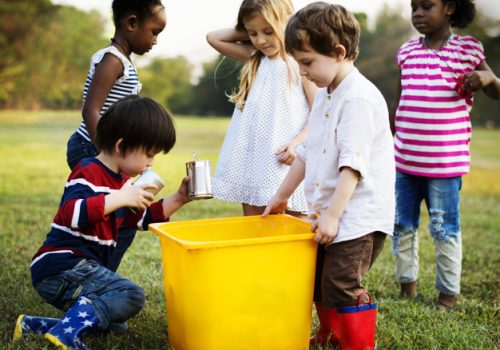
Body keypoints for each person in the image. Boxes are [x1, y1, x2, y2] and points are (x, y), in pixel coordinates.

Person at [263, 3, 395, 349]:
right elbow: (307, 153)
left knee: (341, 282)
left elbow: (352, 164)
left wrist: (334, 216)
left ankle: (358, 343)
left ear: (338, 52)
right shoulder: (324, 96)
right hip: (327, 214)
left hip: (357, 219)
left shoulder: (359, 100)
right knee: (318, 280)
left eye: (307, 62)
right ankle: (331, 334)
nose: (303, 72)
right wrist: (281, 194)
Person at [13, 95, 190, 349]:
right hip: (60, 267)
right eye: (149, 154)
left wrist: (180, 198)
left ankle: (35, 324)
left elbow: (142, 218)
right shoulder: (88, 171)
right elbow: (72, 213)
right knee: (131, 295)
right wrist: (118, 197)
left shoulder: (122, 184)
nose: (151, 163)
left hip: (80, 270)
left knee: (112, 322)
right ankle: (65, 335)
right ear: (121, 146)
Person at [390, 0, 500, 311]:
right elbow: (399, 104)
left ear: (450, 8)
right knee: (402, 226)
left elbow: (494, 89)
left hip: (444, 165)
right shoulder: (407, 51)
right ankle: (407, 288)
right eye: (414, 8)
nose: (418, 14)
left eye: (427, 6)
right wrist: (389, 130)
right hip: (404, 162)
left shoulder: (467, 50)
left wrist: (488, 80)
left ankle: (447, 296)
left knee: (444, 229)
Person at [66, 0, 167, 273]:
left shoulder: (120, 60)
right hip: (93, 147)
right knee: (118, 219)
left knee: (119, 217)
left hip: (106, 149)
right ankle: (96, 276)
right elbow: (91, 109)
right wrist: (106, 156)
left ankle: (100, 275)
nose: (155, 41)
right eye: (154, 31)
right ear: (131, 23)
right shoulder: (113, 60)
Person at [206, 0, 317, 217]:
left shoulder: (300, 61)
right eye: (253, 33)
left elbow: (320, 110)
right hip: (253, 158)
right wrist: (249, 27)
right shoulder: (255, 57)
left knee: (292, 219)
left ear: (287, 22)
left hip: (286, 156)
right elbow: (213, 37)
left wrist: (299, 142)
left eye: (268, 31)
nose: (261, 40)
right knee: (256, 221)